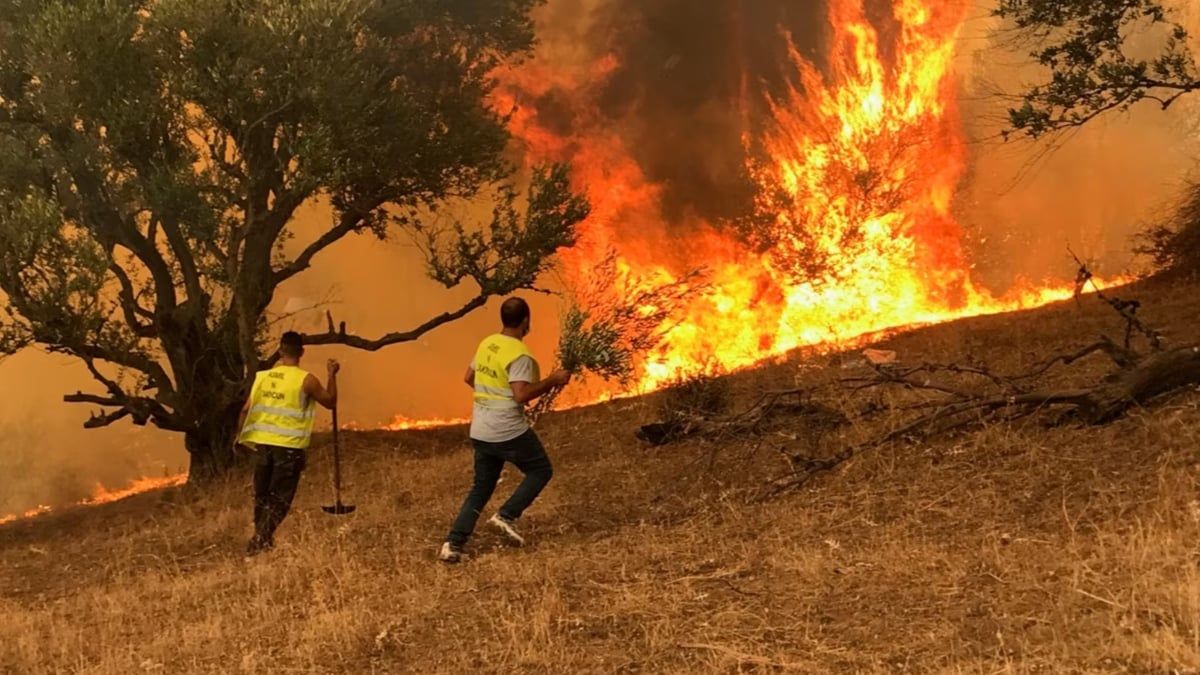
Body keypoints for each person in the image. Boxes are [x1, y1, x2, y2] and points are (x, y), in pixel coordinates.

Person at [439, 297, 570, 563]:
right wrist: (553, 380)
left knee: (481, 487)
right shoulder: (519, 354)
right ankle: (506, 516)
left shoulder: (488, 343)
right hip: (506, 428)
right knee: (541, 470)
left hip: (481, 428)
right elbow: (521, 395)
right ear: (526, 321)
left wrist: (490, 395)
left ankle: (453, 544)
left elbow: (468, 377)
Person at [237, 331, 339, 557]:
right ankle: (260, 540)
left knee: (262, 496)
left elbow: (245, 410)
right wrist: (331, 375)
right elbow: (330, 402)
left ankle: (262, 539)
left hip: (264, 446)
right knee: (281, 497)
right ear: (301, 352)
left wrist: (241, 440)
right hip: (289, 448)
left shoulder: (262, 378)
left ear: (280, 351)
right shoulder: (307, 380)